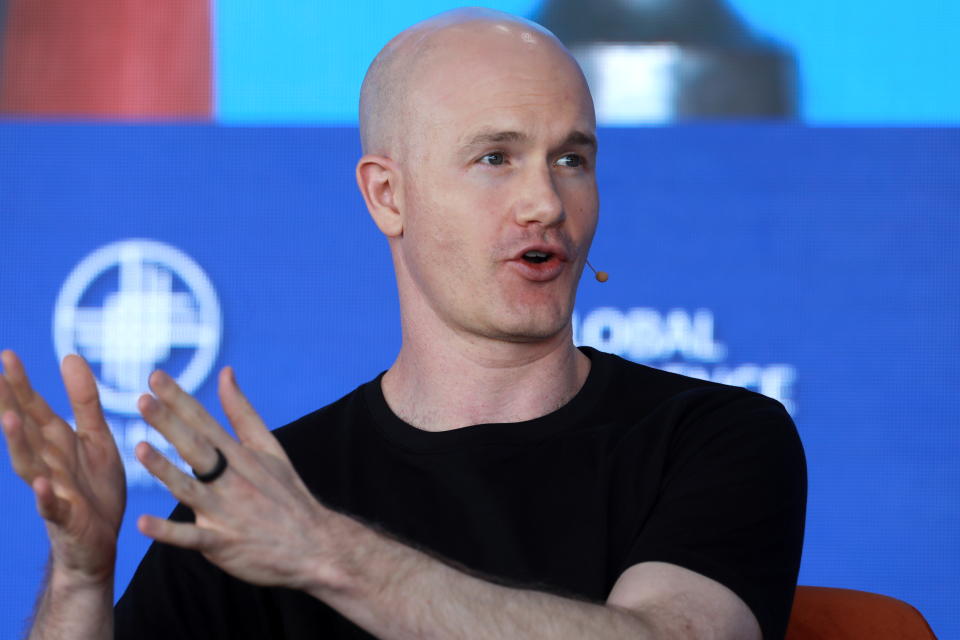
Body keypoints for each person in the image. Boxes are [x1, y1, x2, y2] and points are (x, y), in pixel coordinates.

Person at [0, 8, 805, 640]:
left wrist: (327, 555)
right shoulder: (267, 502)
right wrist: (79, 579)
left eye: (572, 159)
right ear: (388, 196)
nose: (547, 204)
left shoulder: (715, 439)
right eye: (496, 157)